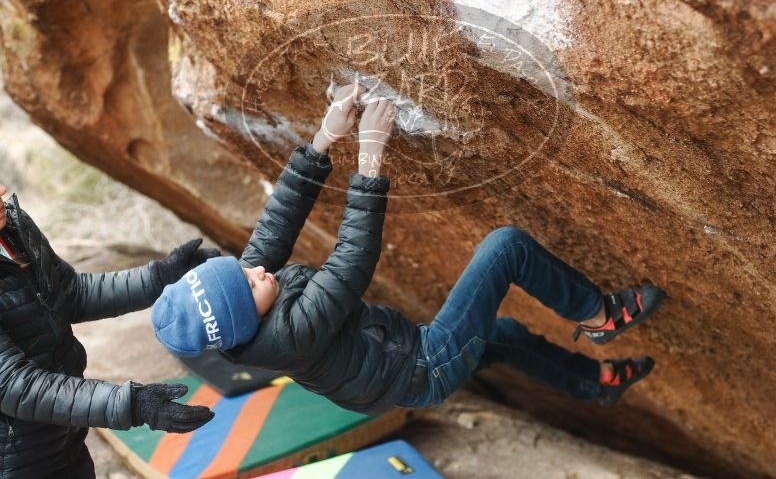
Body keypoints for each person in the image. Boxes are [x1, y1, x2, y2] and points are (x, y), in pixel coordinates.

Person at [152, 82, 665, 417]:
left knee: (502, 335)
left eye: (238, 271)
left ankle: (593, 383)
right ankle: (598, 316)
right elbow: (351, 261)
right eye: (245, 284)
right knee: (505, 247)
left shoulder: (246, 298)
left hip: (390, 372)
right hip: (423, 364)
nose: (254, 272)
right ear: (243, 320)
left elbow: (276, 223)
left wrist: (321, 142)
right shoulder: (289, 333)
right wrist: (370, 158)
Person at [0, 186, 217, 478]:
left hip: (65, 439)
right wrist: (133, 404)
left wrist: (159, 277)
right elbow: (16, 385)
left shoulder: (12, 227)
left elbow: (70, 292)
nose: (2, 190)